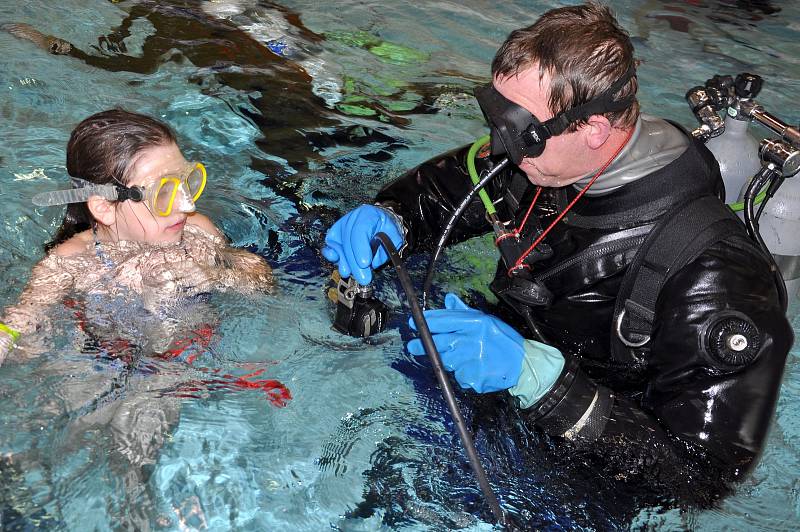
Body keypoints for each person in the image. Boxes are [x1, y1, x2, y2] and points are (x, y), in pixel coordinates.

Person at [322, 1, 792, 510]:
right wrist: (391, 218)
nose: (501, 144)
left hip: (587, 469)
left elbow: (701, 480)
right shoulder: (540, 158)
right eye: (496, 114)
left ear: (593, 127)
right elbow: (439, 194)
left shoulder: (714, 271)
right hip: (502, 370)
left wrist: (542, 383)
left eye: (518, 126)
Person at [0, 108, 273, 363]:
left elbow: (262, 282)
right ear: (104, 207)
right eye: (163, 192)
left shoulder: (196, 229)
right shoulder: (69, 262)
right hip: (104, 360)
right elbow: (22, 324)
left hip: (193, 354)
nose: (188, 205)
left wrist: (215, 276)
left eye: (187, 182)